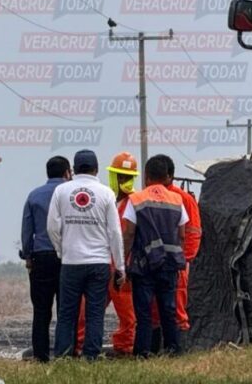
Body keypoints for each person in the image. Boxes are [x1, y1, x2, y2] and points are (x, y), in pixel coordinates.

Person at [47, 148, 125, 361]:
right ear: (96, 169)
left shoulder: (61, 191)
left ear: (73, 169)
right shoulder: (106, 193)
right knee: (95, 313)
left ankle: (63, 356)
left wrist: (61, 250)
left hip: (71, 262)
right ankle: (91, 355)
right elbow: (115, 232)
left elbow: (52, 226)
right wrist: (120, 266)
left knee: (67, 313)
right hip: (99, 263)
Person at [123, 154, 187, 357]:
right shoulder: (177, 199)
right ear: (166, 176)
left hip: (144, 264)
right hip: (169, 263)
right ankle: (172, 349)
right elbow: (182, 234)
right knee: (168, 309)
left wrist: (124, 262)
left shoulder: (136, 199)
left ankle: (142, 351)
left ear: (146, 176)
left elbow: (129, 233)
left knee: (143, 312)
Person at [20, 155, 72, 362]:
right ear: (67, 173)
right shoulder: (71, 195)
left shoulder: (34, 196)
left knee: (41, 311)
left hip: (41, 257)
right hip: (67, 257)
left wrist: (28, 255)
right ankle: (64, 353)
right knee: (65, 310)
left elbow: (27, 231)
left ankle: (40, 355)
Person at [162, 155, 201, 333]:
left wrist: (184, 260)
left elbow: (193, 232)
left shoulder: (183, 199)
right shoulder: (148, 197)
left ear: (169, 176)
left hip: (176, 262)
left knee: (177, 306)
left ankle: (179, 340)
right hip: (156, 262)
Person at [105, 151, 139, 356]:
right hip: (102, 264)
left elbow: (129, 236)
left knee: (127, 315)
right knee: (87, 311)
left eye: (127, 177)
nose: (123, 181)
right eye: (120, 176)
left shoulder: (134, 202)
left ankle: (125, 348)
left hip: (122, 267)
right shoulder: (107, 199)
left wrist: (122, 266)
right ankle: (81, 345)